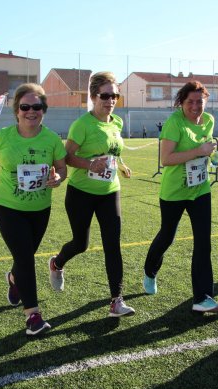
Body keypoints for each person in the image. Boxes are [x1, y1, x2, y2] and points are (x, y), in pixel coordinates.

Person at [0, 83, 66, 336]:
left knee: (23, 258)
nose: (31, 111)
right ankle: (33, 316)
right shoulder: (3, 137)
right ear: (17, 110)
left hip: (40, 209)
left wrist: (58, 179)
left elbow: (62, 168)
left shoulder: (52, 139)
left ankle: (14, 279)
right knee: (26, 258)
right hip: (8, 208)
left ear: (43, 110)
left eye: (37, 107)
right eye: (25, 107)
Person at [48, 71, 135, 318]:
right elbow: (66, 158)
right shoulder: (82, 125)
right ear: (94, 96)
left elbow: (112, 150)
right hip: (81, 193)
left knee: (113, 245)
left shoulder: (116, 122)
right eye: (105, 95)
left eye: (115, 96)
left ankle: (117, 300)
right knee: (81, 243)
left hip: (110, 191)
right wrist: (89, 165)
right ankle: (57, 263)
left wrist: (121, 164)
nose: (110, 100)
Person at [143, 80, 218, 314]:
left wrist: (215, 158)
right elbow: (166, 159)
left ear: (206, 101)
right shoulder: (174, 123)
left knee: (203, 242)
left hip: (200, 189)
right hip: (174, 192)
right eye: (190, 101)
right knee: (167, 236)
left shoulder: (209, 120)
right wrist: (198, 152)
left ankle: (202, 297)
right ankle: (150, 271)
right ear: (182, 102)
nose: (195, 106)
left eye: (200, 101)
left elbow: (206, 151)